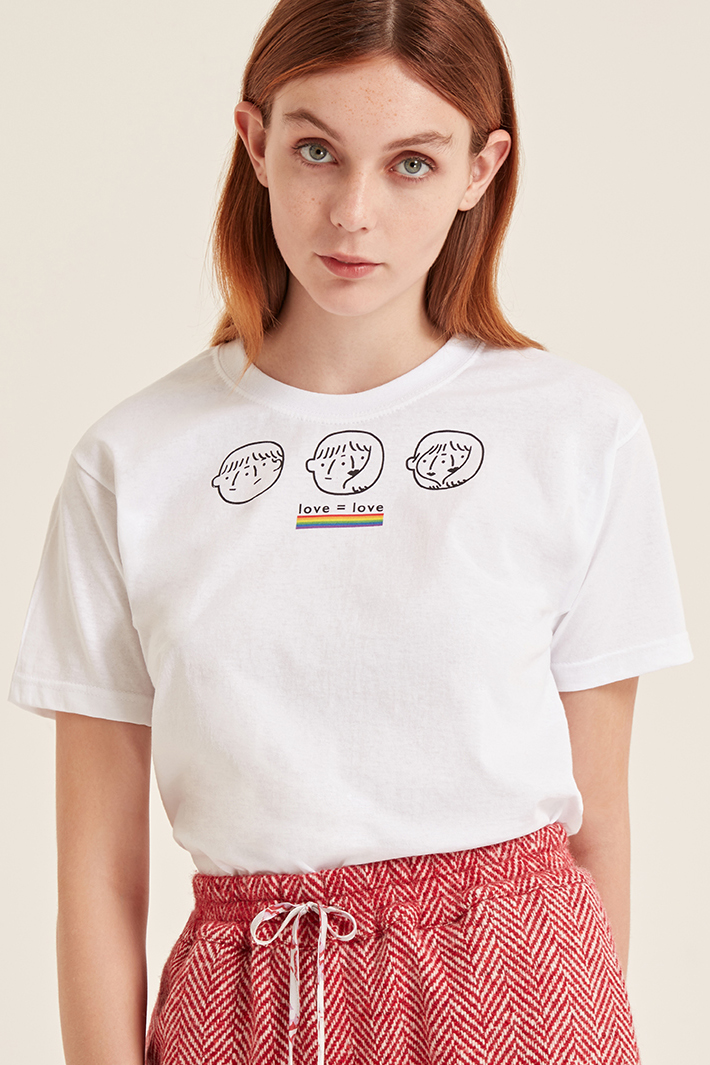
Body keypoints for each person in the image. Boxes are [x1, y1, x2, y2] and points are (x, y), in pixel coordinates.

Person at [8, 0, 693, 1062]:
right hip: (243, 1002)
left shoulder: (575, 432)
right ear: (255, 143)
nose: (353, 214)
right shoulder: (133, 461)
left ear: (480, 169)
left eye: (412, 162)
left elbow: (596, 827)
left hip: (518, 985)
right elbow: (97, 875)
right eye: (317, 150)